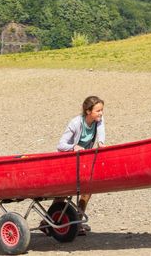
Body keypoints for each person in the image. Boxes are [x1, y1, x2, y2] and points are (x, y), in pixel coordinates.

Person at [55, 95, 106, 235]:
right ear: (88, 111)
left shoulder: (98, 121)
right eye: (98, 111)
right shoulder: (76, 123)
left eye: (102, 110)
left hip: (83, 162)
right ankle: (48, 221)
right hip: (68, 161)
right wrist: (73, 147)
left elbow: (101, 136)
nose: (101, 113)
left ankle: (77, 221)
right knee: (64, 192)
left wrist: (101, 143)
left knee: (87, 191)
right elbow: (60, 145)